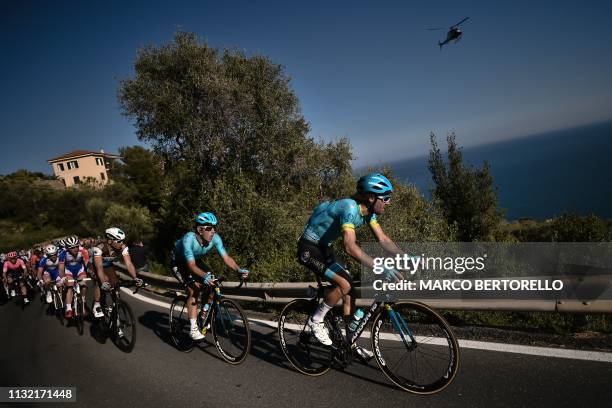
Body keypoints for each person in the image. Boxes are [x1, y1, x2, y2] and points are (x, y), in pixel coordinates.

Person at [297, 173, 403, 360]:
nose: (389, 203)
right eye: (385, 198)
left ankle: (349, 343)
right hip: (308, 247)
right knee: (343, 284)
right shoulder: (349, 207)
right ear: (371, 198)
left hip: (324, 248)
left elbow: (383, 240)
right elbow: (350, 247)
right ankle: (316, 319)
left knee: (350, 292)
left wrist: (405, 257)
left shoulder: (368, 214)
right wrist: (381, 267)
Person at [173, 212, 249, 340]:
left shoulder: (215, 238)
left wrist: (238, 269)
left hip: (195, 261)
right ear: (199, 230)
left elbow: (226, 257)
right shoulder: (189, 239)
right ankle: (193, 329)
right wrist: (203, 276)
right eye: (209, 228)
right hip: (180, 263)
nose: (213, 231)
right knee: (194, 290)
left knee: (213, 281)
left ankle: (203, 314)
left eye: (214, 227)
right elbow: (191, 266)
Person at [59, 236, 90, 318]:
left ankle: (83, 302)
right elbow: (61, 268)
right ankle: (69, 309)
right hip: (69, 271)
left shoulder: (83, 250)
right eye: (72, 247)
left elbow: (87, 264)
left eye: (76, 246)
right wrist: (62, 277)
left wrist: (89, 273)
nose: (75, 248)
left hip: (80, 269)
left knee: (83, 285)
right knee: (70, 286)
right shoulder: (62, 253)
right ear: (67, 248)